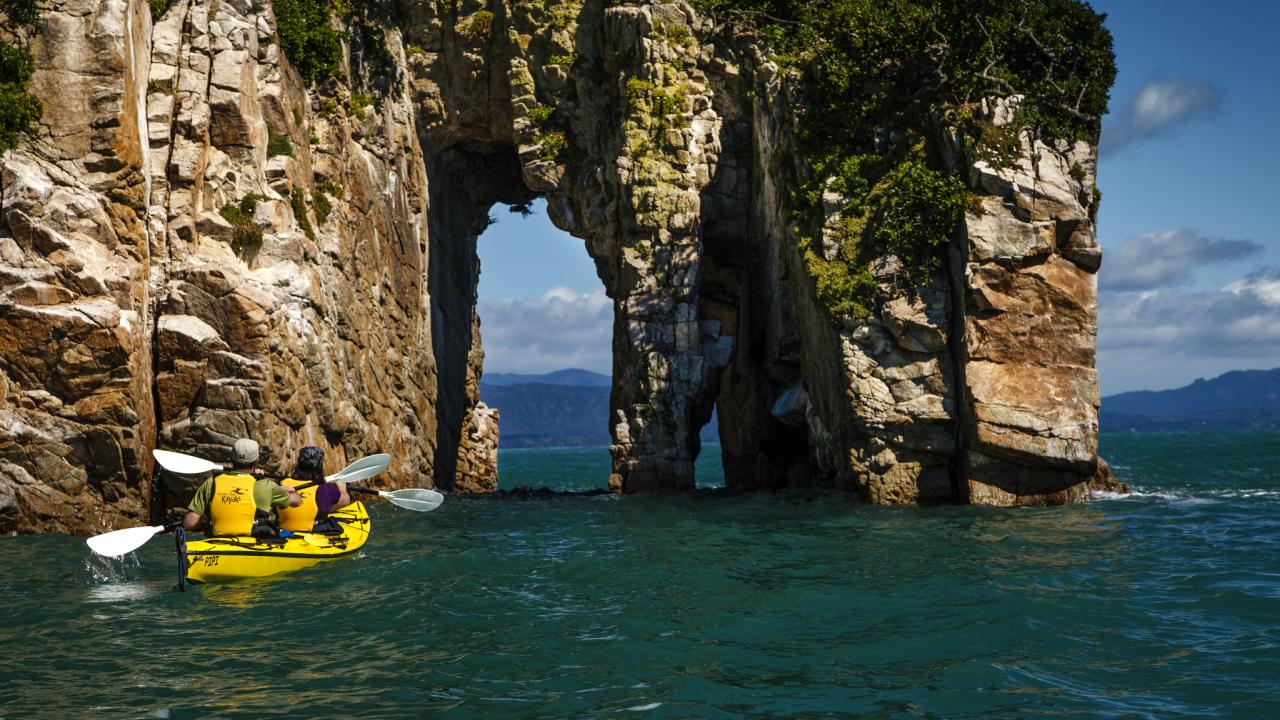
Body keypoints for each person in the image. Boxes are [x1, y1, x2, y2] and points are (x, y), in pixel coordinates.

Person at [183, 438, 301, 537]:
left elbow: (189, 523)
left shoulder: (212, 482)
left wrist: (209, 522)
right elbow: (297, 501)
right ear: (257, 460)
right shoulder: (265, 485)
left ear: (232, 458)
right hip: (253, 545)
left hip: (216, 544)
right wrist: (289, 490)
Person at [277, 445, 352, 534]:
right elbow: (345, 501)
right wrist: (342, 489)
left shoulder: (282, 484)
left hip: (284, 530)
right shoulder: (325, 489)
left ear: (299, 462)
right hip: (313, 533)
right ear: (320, 466)